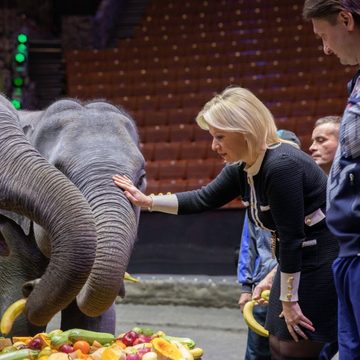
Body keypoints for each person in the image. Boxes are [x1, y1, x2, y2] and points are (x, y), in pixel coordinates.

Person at [113, 86, 339, 360]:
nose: (214, 145)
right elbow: (202, 198)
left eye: (220, 136)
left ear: (245, 131)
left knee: (294, 348)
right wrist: (146, 201)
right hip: (295, 260)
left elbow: (292, 238)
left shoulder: (282, 165)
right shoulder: (243, 166)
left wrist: (289, 300)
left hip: (320, 261)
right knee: (278, 346)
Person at [303, 2, 360, 359]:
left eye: (325, 36)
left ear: (346, 19)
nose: (325, 48)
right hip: (350, 253)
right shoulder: (356, 83)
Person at [238, 130, 301, 360]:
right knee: (257, 352)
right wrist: (246, 287)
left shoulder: (308, 193)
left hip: (298, 290)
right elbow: (249, 246)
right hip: (263, 293)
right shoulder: (256, 201)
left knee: (291, 351)